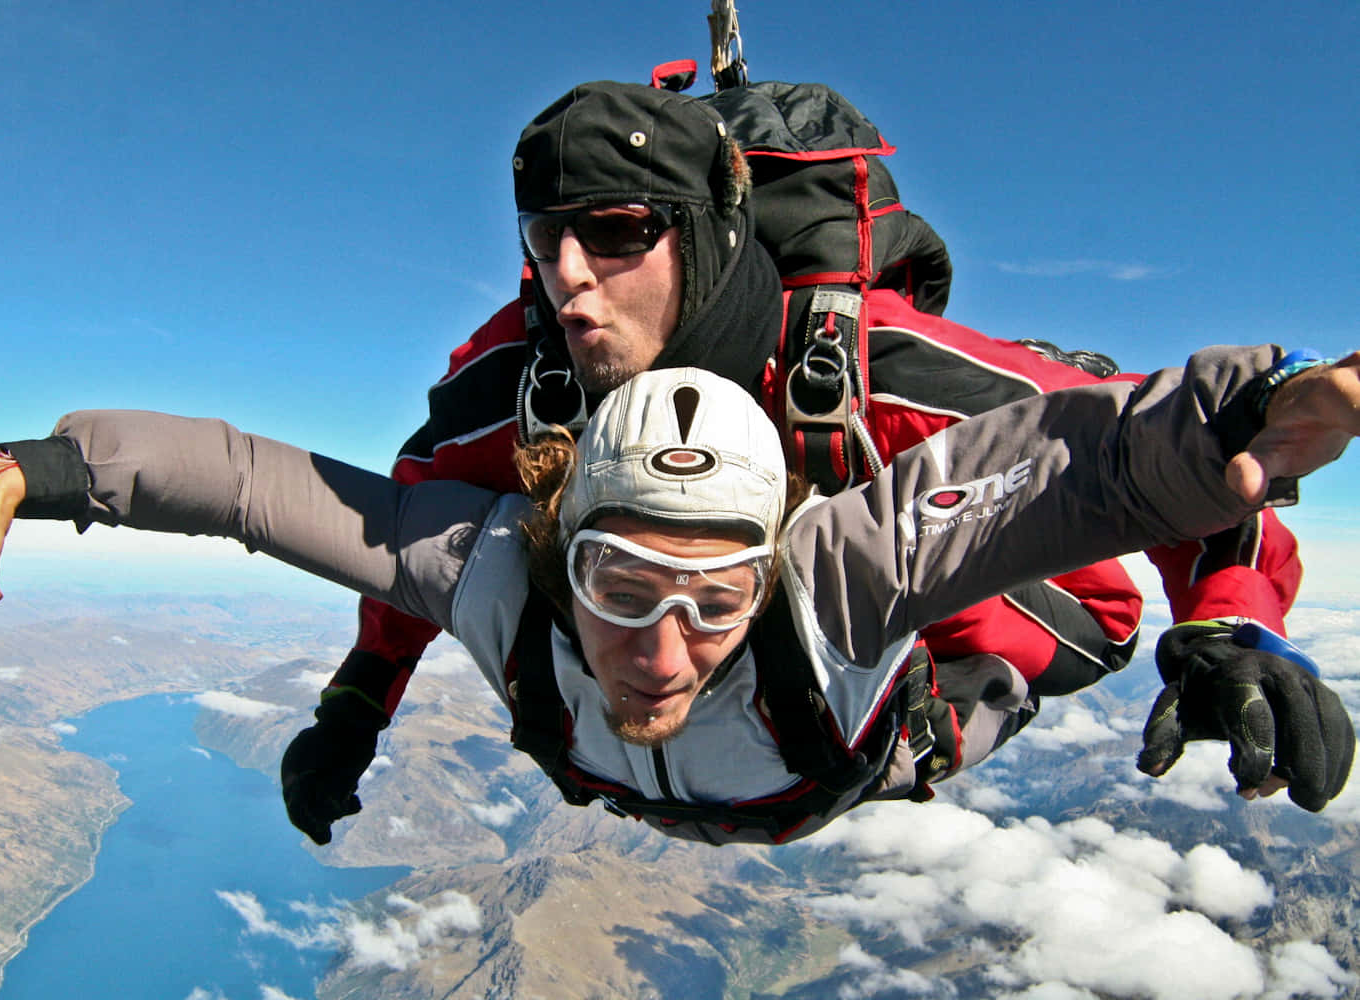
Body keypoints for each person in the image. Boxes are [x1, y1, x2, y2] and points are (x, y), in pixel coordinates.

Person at [293, 79, 1306, 844]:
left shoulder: (872, 370)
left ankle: (912, 693)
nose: (568, 278)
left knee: (830, 552)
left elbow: (1186, 445)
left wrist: (1231, 614)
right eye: (545, 236)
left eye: (615, 231)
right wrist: (356, 703)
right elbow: (422, 534)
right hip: (709, 709)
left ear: (705, 235)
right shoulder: (522, 385)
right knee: (541, 532)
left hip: (1001, 617)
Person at [0, 348, 1355, 845]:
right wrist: (40, 471)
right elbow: (253, 489)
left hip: (871, 759)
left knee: (1026, 648)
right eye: (620, 585)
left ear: (773, 559)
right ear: (556, 542)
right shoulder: (492, 569)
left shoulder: (840, 577)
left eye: (715, 594)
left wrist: (1238, 439)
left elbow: (1074, 464)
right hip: (749, 775)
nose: (661, 643)